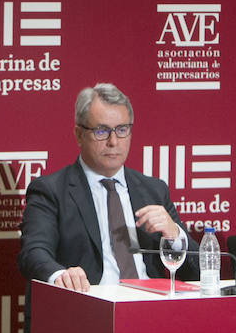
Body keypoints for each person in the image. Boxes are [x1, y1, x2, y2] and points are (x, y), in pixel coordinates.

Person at [17, 83, 198, 291]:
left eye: (122, 130)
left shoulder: (153, 190)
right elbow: (33, 252)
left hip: (149, 305)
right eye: (102, 131)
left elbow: (197, 273)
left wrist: (174, 235)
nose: (113, 142)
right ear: (79, 134)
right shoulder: (51, 190)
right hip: (87, 306)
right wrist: (62, 276)